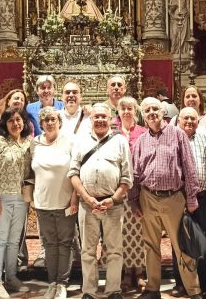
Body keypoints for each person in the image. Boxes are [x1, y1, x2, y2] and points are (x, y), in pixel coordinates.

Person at [130, 97, 202, 299]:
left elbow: (189, 167)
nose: (152, 113)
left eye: (155, 109)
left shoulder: (177, 134)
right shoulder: (141, 141)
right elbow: (135, 173)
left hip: (173, 198)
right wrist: (134, 200)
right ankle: (153, 289)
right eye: (147, 110)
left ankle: (193, 290)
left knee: (182, 247)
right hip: (148, 198)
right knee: (150, 245)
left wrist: (191, 198)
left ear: (163, 112)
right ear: (143, 115)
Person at [69, 103, 132, 299]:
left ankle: (113, 290)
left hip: (113, 206)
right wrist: (87, 198)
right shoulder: (80, 141)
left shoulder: (120, 141)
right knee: (88, 251)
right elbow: (73, 174)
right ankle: (89, 291)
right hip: (87, 206)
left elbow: (127, 177)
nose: (100, 120)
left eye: (104, 116)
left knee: (114, 250)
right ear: (91, 119)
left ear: (111, 119)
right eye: (96, 117)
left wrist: (113, 199)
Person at [0, 107, 33, 299]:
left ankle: (11, 276)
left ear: (24, 123)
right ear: (5, 123)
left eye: (19, 120)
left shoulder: (28, 144)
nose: (16, 124)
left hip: (22, 198)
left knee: (15, 241)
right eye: (11, 120)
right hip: (2, 198)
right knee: (0, 240)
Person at [32, 107, 78, 299]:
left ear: (59, 121)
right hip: (42, 203)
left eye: (53, 119)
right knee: (50, 244)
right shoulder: (35, 143)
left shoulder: (69, 141)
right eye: (45, 120)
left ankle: (62, 283)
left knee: (65, 243)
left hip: (65, 201)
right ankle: (52, 282)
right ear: (41, 123)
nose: (49, 123)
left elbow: (77, 169)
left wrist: (75, 196)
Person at [171, 107, 206, 299]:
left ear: (198, 121)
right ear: (178, 120)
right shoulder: (171, 137)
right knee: (178, 240)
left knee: (202, 240)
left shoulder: (205, 137)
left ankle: (205, 283)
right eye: (185, 118)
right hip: (178, 198)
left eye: (193, 118)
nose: (189, 121)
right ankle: (181, 283)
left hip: (201, 197)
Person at [114, 96, 147, 292]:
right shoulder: (113, 133)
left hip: (140, 189)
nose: (127, 111)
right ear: (118, 111)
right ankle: (127, 271)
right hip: (119, 189)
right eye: (123, 108)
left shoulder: (143, 132)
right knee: (123, 232)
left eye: (130, 108)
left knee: (140, 230)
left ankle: (140, 271)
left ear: (136, 111)